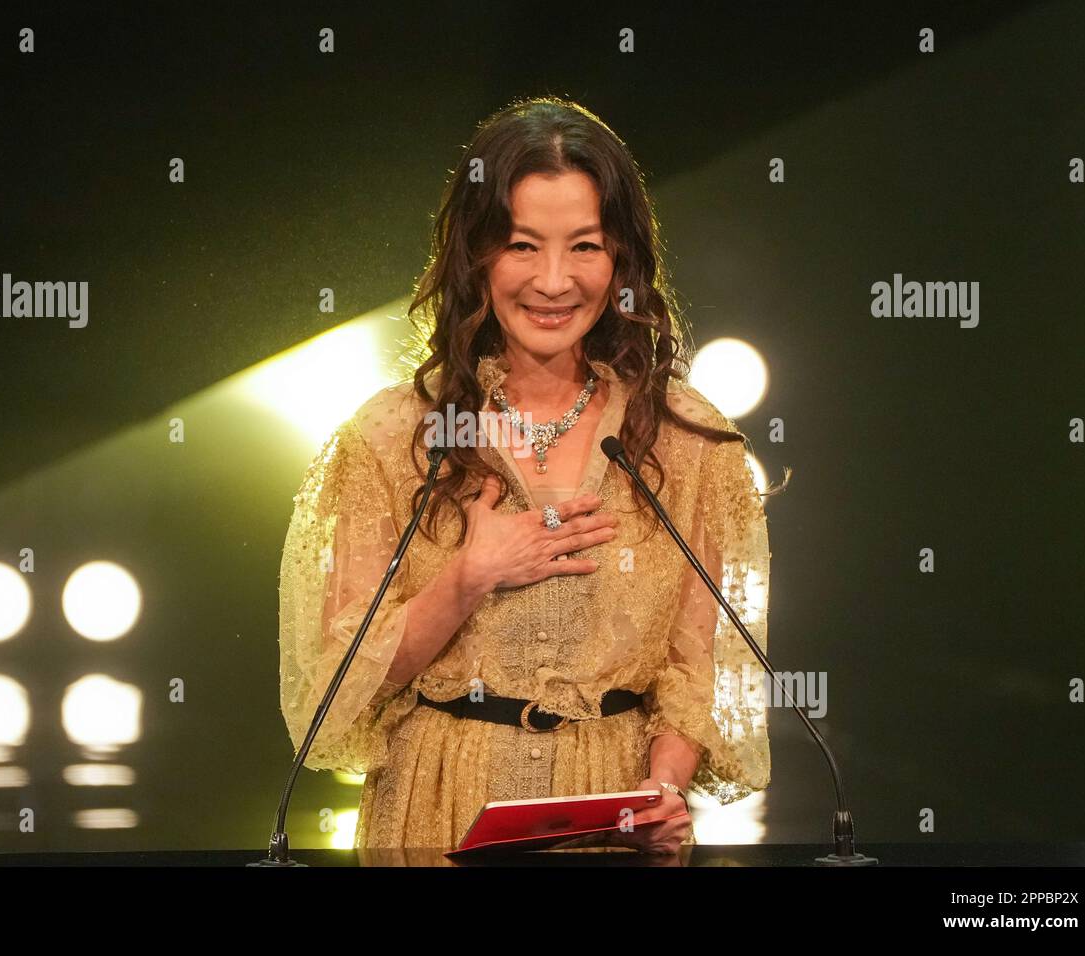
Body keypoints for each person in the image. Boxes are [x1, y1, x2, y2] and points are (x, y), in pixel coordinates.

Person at [277, 96, 772, 853]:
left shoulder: (687, 440)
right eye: (520, 245)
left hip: (610, 823)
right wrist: (467, 576)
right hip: (435, 807)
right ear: (475, 255)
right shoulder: (392, 439)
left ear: (622, 258)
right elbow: (337, 690)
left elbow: (695, 671)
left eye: (584, 246)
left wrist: (664, 792)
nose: (553, 281)